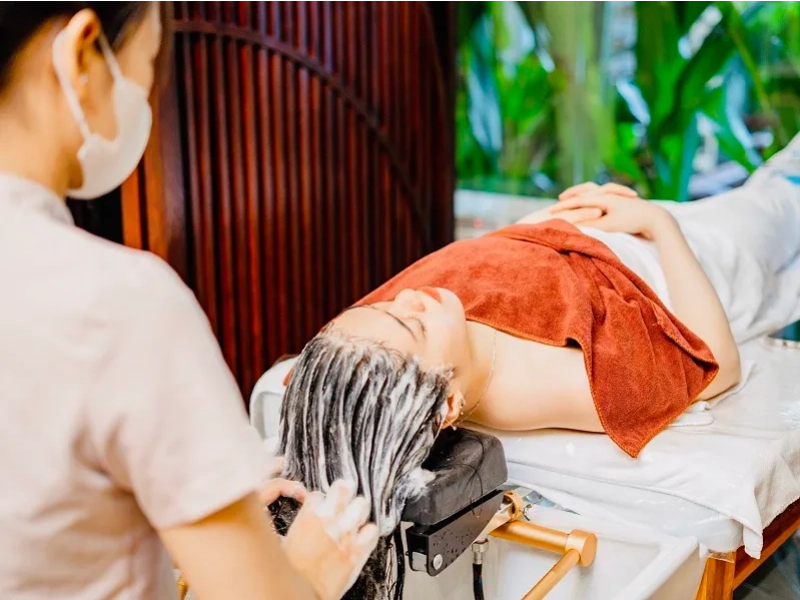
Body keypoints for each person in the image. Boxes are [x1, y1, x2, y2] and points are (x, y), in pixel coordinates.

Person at [273, 133, 800, 598]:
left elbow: (322, 390)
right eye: (413, 324)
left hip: (600, 230)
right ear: (448, 404)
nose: (409, 297)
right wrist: (659, 225)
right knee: (781, 202)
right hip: (690, 262)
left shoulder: (368, 351)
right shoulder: (532, 386)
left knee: (774, 188)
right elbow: (715, 363)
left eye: (381, 307)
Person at [0, 2, 377, 599]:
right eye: (149, 61)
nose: (147, 92)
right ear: (82, 54)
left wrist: (192, 514)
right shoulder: (119, 305)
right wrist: (306, 572)